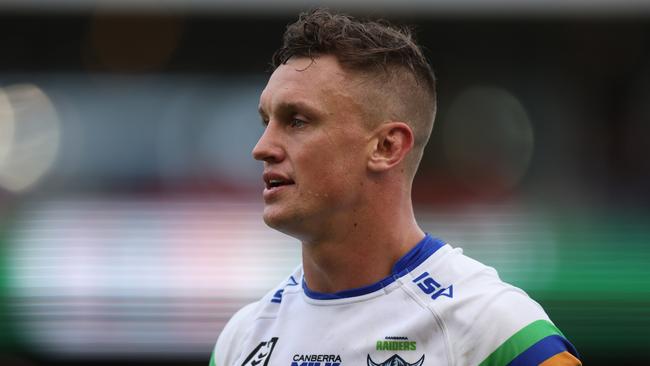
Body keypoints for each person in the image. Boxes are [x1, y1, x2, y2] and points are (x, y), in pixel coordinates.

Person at [211, 8, 581, 366]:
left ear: (387, 147)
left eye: (297, 121)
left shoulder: (495, 332)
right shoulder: (242, 338)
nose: (261, 148)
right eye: (266, 121)